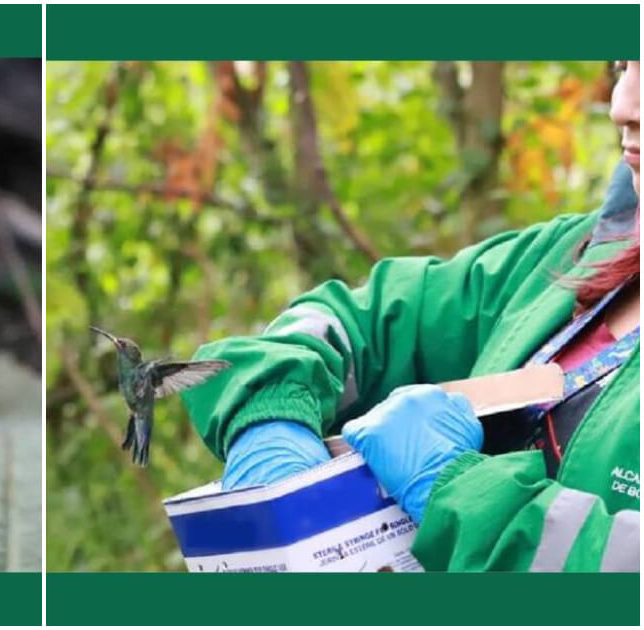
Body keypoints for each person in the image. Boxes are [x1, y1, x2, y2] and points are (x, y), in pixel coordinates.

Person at [181, 61, 639, 572]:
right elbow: (353, 321)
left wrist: (462, 496)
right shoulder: (573, 258)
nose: (623, 103)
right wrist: (271, 413)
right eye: (627, 62)